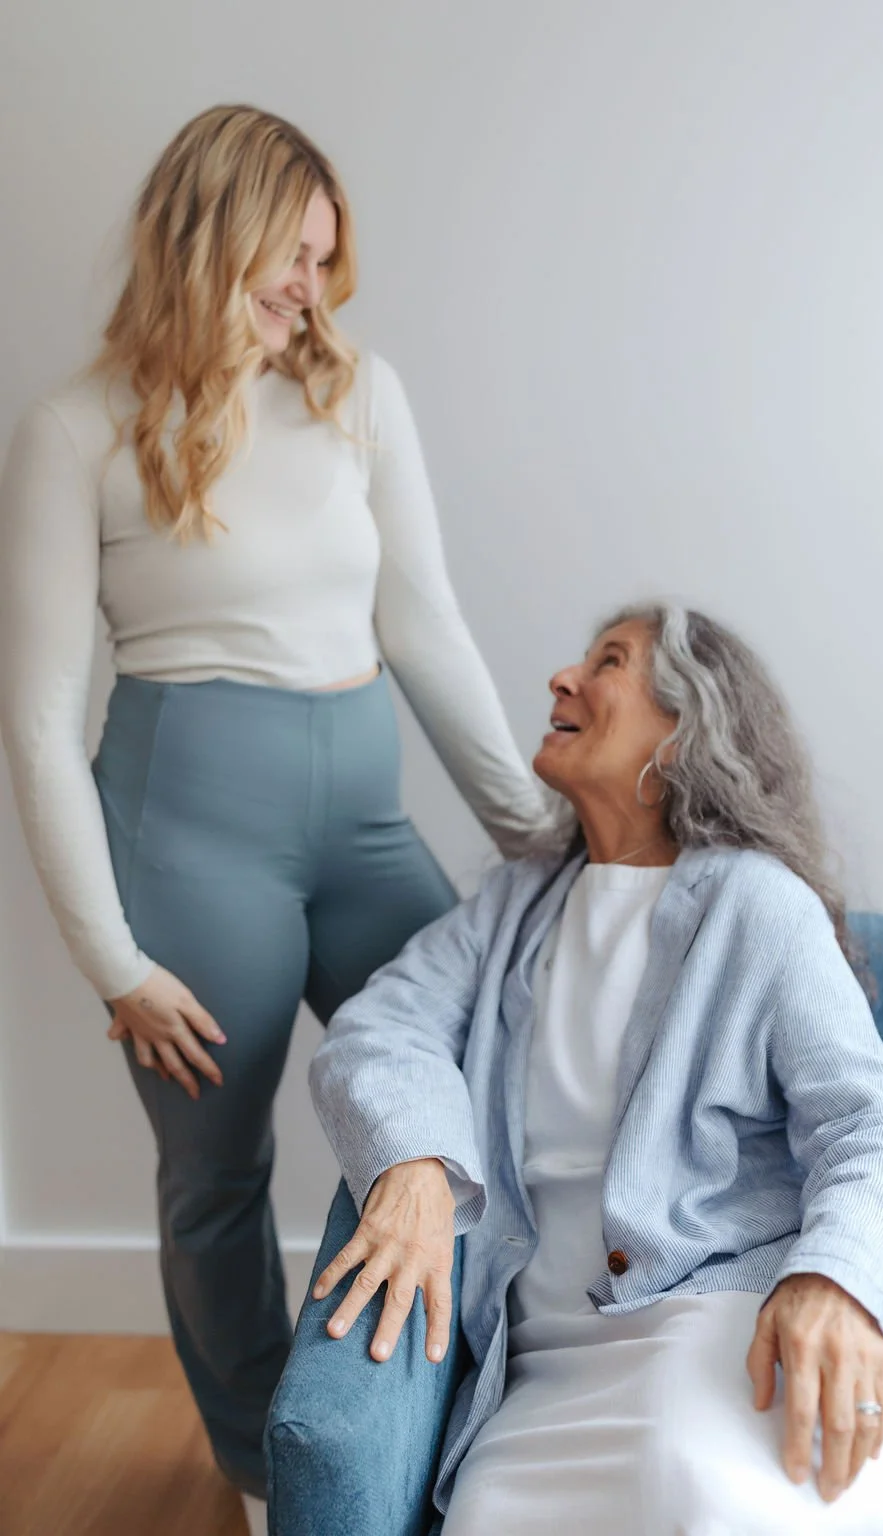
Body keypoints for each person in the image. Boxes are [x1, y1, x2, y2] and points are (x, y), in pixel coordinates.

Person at [0, 104, 544, 1533]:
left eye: (324, 259)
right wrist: (111, 961)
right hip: (187, 841)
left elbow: (424, 626)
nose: (313, 288)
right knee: (217, 1174)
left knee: (481, 1080)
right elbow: (43, 719)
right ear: (207, 235)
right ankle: (261, 1461)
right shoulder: (73, 431)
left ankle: (473, 1391)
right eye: (288, 256)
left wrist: (537, 831)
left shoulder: (359, 395)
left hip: (362, 825)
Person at [306, 602, 883, 1534]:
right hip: (544, 1366)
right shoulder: (508, 914)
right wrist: (414, 1165)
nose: (563, 679)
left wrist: (835, 1280)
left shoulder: (755, 903)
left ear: (682, 734)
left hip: (714, 1324)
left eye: (607, 662)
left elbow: (875, 1129)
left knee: (696, 1495)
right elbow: (377, 1029)